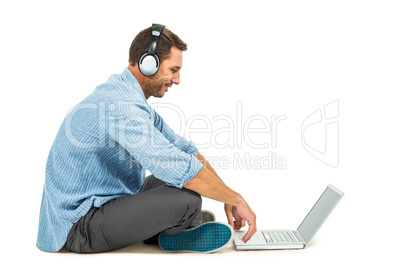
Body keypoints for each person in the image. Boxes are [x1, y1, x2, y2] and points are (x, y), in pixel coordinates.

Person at [36, 24, 257, 254]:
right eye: (173, 70)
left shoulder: (131, 98)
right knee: (188, 199)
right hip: (79, 226)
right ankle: (174, 229)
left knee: (187, 184)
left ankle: (174, 224)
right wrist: (237, 199)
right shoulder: (122, 106)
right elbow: (178, 168)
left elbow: (185, 151)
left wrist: (226, 194)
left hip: (107, 201)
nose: (178, 79)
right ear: (148, 63)